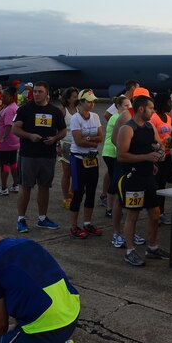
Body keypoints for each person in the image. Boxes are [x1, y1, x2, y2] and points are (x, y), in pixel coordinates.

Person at [116, 95, 169, 266]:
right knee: (133, 214)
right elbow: (121, 155)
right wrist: (146, 156)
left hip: (148, 176)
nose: (153, 111)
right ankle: (130, 250)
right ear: (141, 109)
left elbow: (157, 143)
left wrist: (159, 151)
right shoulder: (128, 128)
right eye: (151, 108)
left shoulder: (149, 126)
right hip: (133, 178)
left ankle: (152, 247)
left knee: (155, 213)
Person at [12, 81, 66, 232]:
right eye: (35, 91)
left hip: (47, 155)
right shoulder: (24, 109)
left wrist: (55, 139)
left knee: (44, 187)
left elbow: (63, 131)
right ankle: (21, 219)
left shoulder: (55, 111)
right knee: (26, 187)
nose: (36, 94)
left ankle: (42, 218)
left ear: (47, 93)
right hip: (28, 154)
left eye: (40, 91)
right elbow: (15, 129)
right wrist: (29, 136)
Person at [67, 89, 104, 239]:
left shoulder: (95, 117)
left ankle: (87, 223)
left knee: (91, 191)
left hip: (92, 158)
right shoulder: (76, 118)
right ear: (81, 102)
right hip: (78, 159)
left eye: (93, 101)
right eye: (89, 101)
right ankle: (74, 226)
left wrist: (88, 139)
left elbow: (100, 138)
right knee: (78, 192)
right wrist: (91, 139)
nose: (92, 104)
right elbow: (78, 141)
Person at [103, 96, 135, 247]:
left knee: (117, 189)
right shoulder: (121, 117)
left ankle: (126, 230)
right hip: (115, 155)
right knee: (117, 191)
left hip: (118, 156)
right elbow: (116, 140)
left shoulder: (133, 117)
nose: (128, 107)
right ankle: (116, 230)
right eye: (126, 105)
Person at [149, 92, 172, 225]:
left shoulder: (168, 117)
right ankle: (155, 212)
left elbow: (169, 133)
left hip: (166, 155)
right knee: (155, 185)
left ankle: (161, 212)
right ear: (162, 103)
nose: (170, 105)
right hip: (157, 156)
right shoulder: (153, 117)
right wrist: (159, 144)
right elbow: (150, 138)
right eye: (169, 102)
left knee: (163, 185)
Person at [0, 86, 20, 196]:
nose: (2, 98)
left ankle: (3, 188)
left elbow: (8, 125)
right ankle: (15, 185)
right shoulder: (13, 107)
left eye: (4, 96)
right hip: (14, 141)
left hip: (6, 142)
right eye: (2, 96)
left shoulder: (9, 110)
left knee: (4, 164)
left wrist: (3, 137)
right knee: (13, 163)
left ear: (11, 97)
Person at [58, 87, 79, 209]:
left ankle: (72, 193)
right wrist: (57, 145)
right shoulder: (63, 111)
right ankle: (66, 197)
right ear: (68, 98)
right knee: (67, 173)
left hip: (77, 144)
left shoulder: (79, 110)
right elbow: (56, 129)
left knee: (76, 172)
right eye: (74, 97)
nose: (77, 99)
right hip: (65, 144)